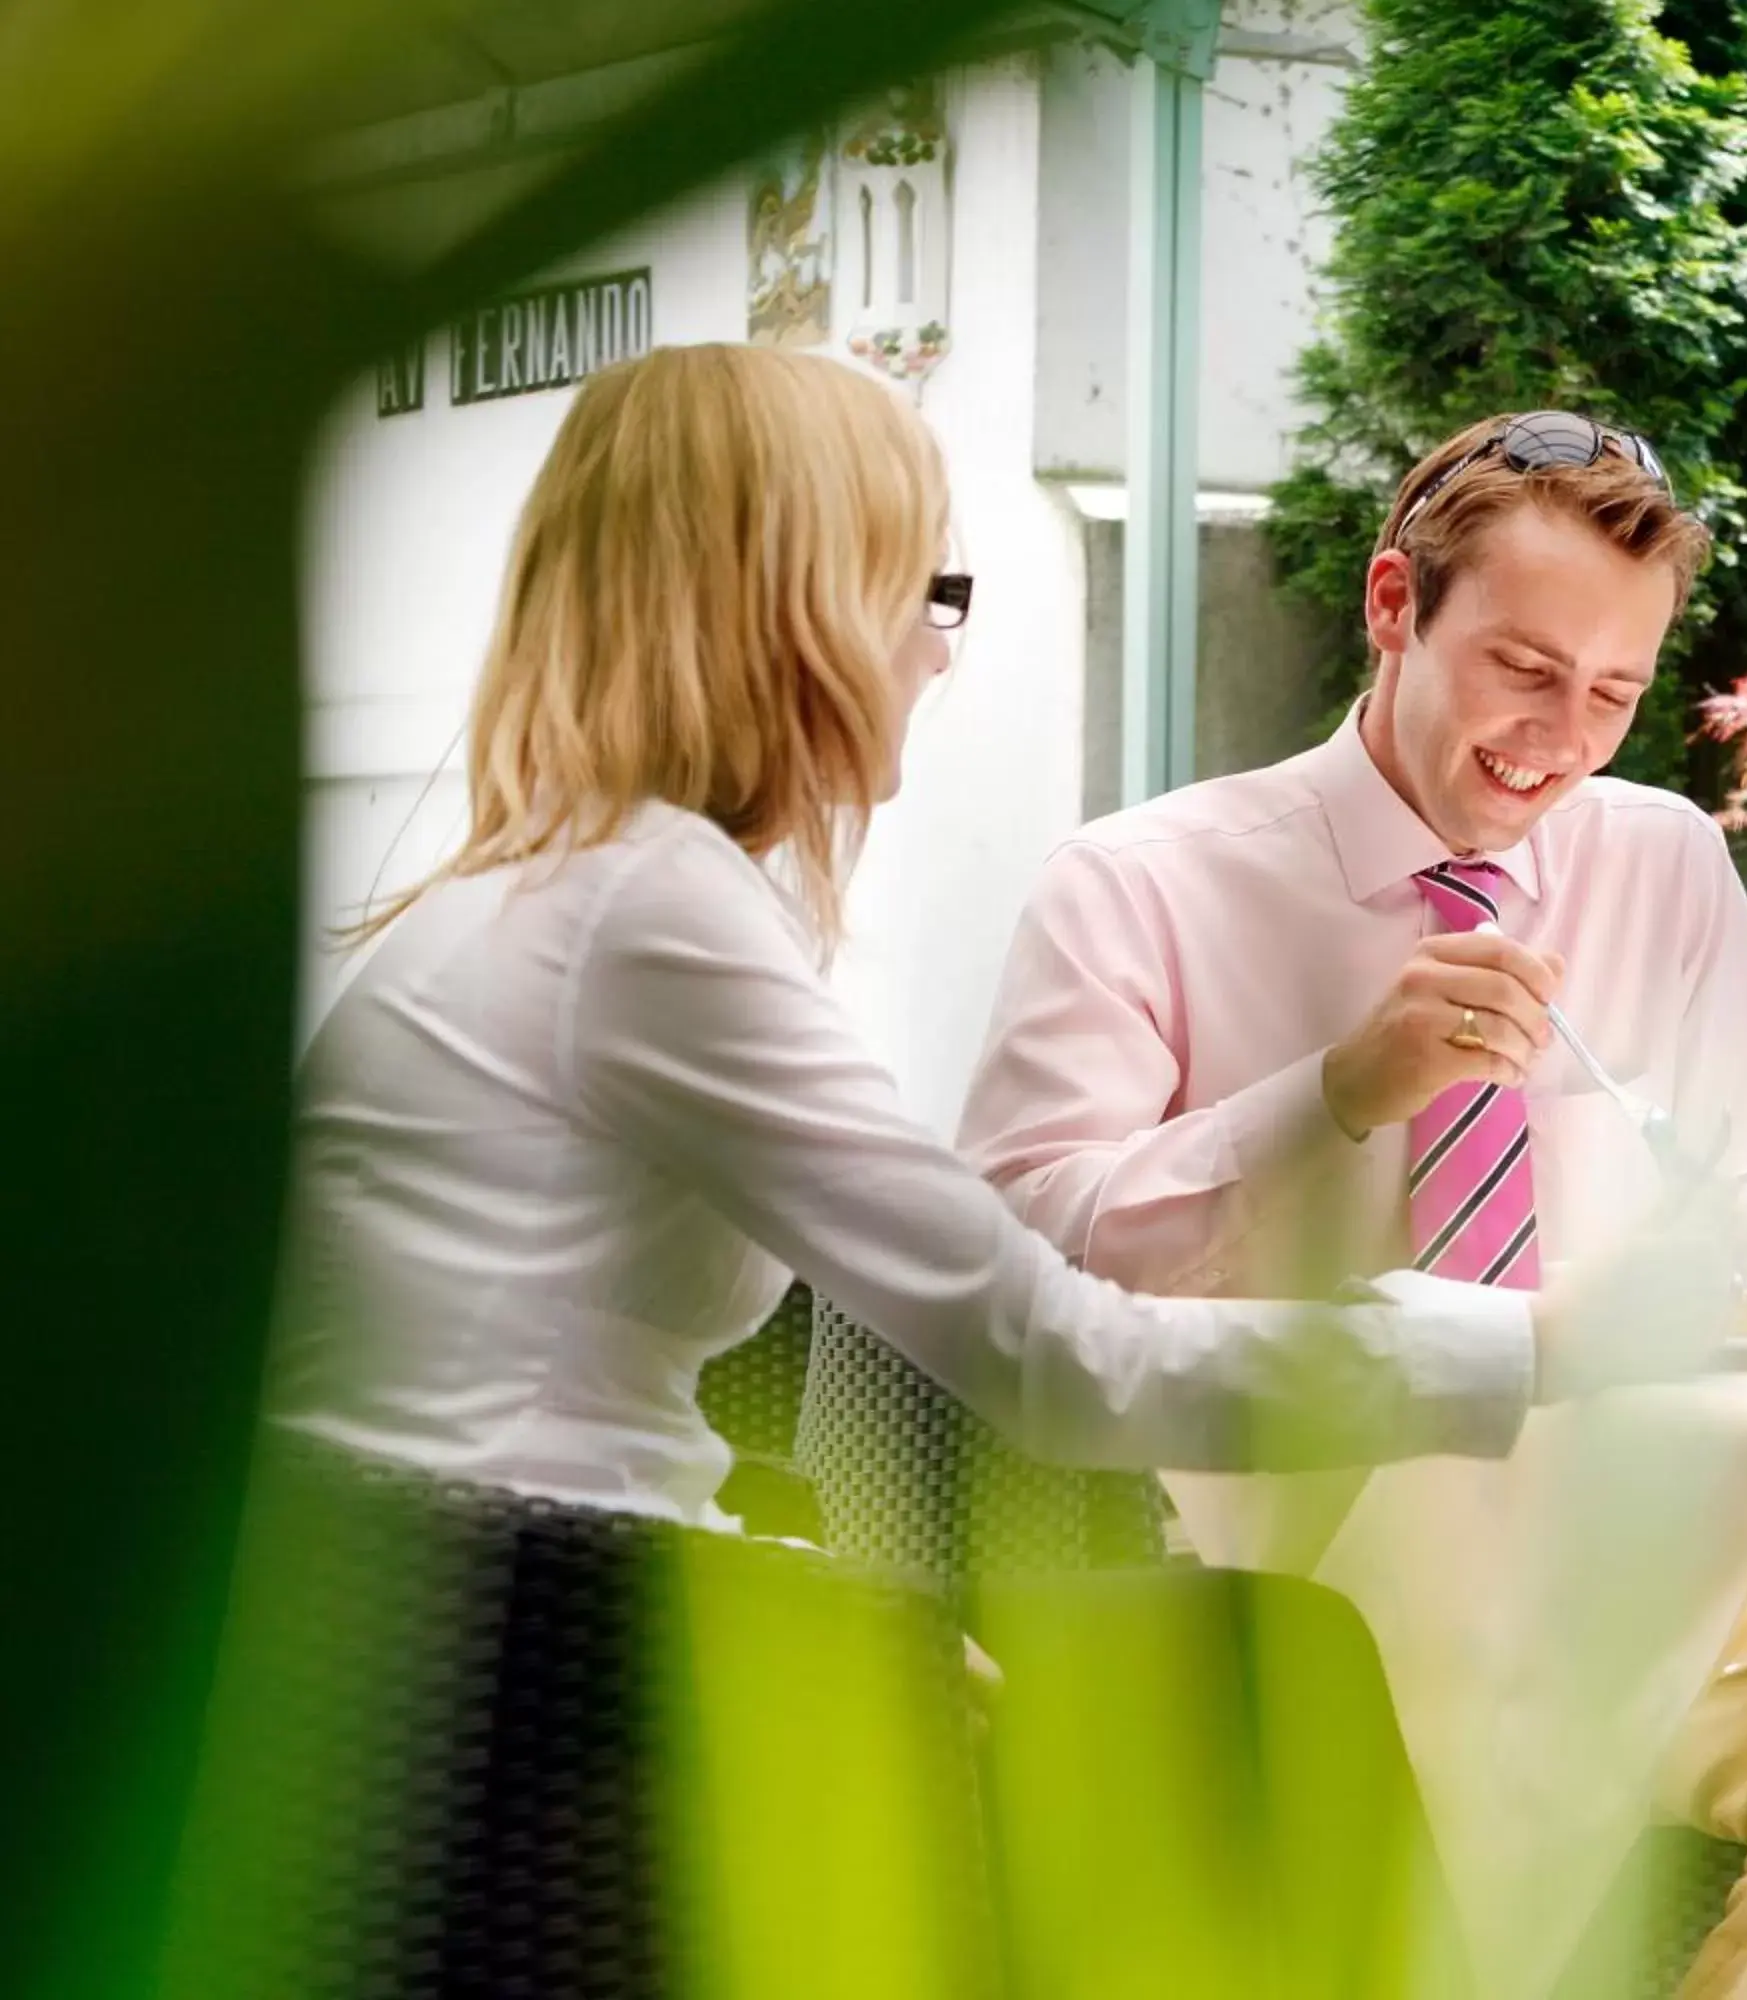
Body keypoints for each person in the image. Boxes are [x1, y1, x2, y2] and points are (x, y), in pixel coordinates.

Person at [265, 347, 1626, 2000]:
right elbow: (1051, 1354)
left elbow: (558, 1405)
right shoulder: (647, 913)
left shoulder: (560, 887)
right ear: (793, 602)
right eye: (927, 586)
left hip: (431, 1653)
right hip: (515, 1695)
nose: (937, 650)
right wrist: (1537, 1350)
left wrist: (843, 1620)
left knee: (1219, 1672)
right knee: (1272, 1671)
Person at [961, 410, 1747, 2000]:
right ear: (1390, 607)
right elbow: (1027, 1255)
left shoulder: (1666, 865)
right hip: (1286, 1603)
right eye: (1523, 667)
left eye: (1614, 694)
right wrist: (1338, 1093)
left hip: (1627, 1584)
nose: (1561, 736)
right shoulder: (1136, 885)